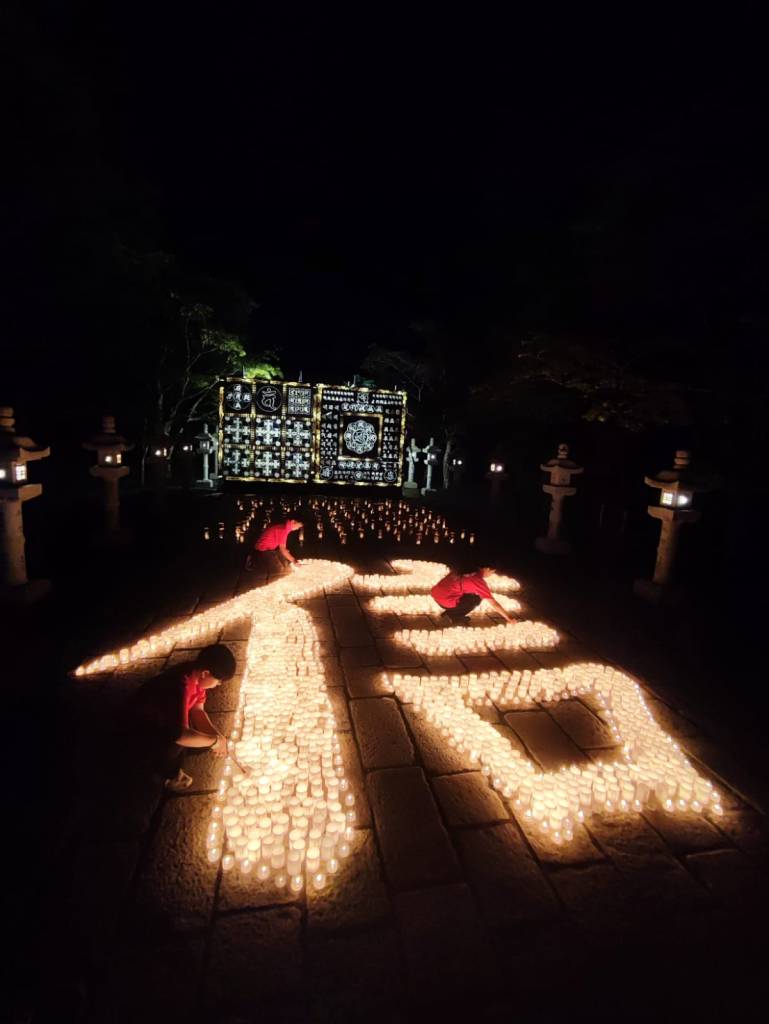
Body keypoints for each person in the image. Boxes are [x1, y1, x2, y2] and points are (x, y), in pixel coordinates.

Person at [130, 643, 237, 791]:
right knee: (177, 743)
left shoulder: (197, 676)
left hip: (168, 721)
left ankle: (172, 760)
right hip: (141, 731)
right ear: (206, 673)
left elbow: (197, 711)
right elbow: (180, 734)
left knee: (204, 740)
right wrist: (214, 741)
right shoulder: (179, 685)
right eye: (219, 680)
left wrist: (217, 738)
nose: (218, 684)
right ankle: (166, 775)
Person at [431, 565, 517, 623]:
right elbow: (494, 604)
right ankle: (455, 616)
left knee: (471, 593)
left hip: (436, 596)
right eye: (492, 572)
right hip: (445, 601)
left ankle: (451, 611)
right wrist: (508, 618)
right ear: (487, 569)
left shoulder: (465, 569)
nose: (491, 575)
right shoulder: (477, 580)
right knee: (477, 597)